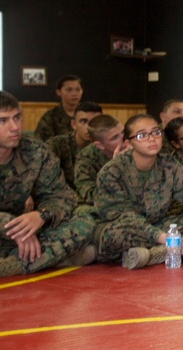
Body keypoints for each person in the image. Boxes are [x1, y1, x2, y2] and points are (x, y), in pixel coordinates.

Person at [93, 114, 183, 269]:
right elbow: (124, 217)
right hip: (126, 228)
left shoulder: (170, 165)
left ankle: (153, 254)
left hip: (159, 224)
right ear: (128, 143)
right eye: (142, 135)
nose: (151, 139)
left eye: (155, 132)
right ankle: (166, 248)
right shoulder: (112, 171)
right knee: (114, 235)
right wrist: (161, 237)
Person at [0, 91, 96, 278]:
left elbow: (61, 196)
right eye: (3, 121)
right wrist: (16, 229)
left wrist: (42, 216)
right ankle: (50, 259)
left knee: (85, 223)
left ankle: (13, 265)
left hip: (23, 233)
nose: (14, 127)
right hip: (14, 230)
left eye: (17, 118)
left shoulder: (35, 151)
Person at [45, 101, 103, 190]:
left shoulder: (107, 147)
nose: (89, 127)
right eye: (83, 121)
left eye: (95, 122)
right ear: (74, 124)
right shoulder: (56, 145)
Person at [73, 115, 128, 206]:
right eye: (115, 138)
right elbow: (90, 196)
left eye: (123, 132)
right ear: (100, 145)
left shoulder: (135, 145)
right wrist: (115, 166)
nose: (123, 139)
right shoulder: (86, 159)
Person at [34, 75, 84, 142]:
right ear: (59, 92)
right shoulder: (50, 116)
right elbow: (39, 142)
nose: (74, 94)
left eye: (78, 90)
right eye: (69, 90)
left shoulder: (88, 113)